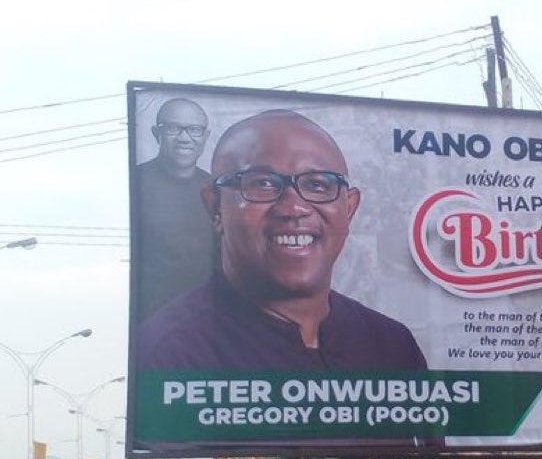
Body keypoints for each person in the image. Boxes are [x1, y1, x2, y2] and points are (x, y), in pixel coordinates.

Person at [138, 109, 427, 370]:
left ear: (349, 209)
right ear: (215, 207)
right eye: (262, 183)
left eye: (318, 185)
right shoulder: (170, 352)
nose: (293, 208)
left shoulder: (392, 345)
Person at [136, 97, 216, 320]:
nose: (184, 138)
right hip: (152, 314)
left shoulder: (217, 191)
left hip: (208, 315)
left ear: (206, 137)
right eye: (173, 128)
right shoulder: (136, 182)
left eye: (194, 130)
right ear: (156, 133)